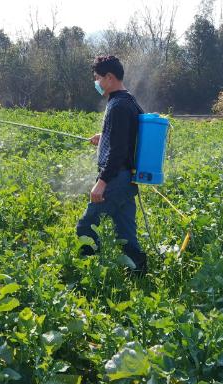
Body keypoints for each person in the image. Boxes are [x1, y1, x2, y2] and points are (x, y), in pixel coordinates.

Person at [76, 55, 147, 274]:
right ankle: (140, 273)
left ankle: (88, 273)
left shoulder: (118, 105)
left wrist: (102, 182)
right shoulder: (128, 100)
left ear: (109, 77)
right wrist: (104, 134)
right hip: (127, 179)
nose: (96, 83)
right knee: (126, 234)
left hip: (116, 178)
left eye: (97, 78)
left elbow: (117, 151)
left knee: (87, 226)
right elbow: (125, 137)